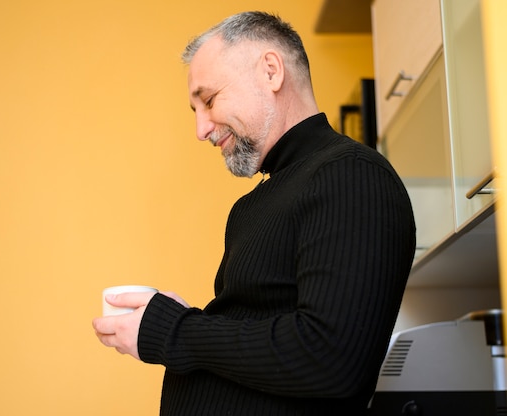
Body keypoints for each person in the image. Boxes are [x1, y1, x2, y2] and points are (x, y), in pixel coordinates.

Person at [93, 11, 415, 416]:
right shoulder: (254, 204)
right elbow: (253, 336)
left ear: (270, 71)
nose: (201, 129)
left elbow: (331, 358)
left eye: (208, 101)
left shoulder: (351, 174)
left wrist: (174, 329)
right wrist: (184, 320)